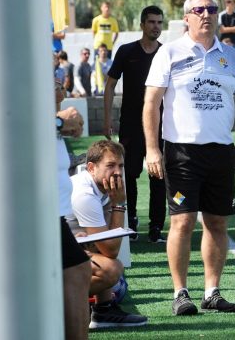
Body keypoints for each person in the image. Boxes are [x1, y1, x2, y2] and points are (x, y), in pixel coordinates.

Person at [143, 0, 235, 316]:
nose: (206, 14)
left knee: (217, 222)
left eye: (211, 9)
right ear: (187, 17)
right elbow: (151, 103)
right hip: (182, 153)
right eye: (199, 9)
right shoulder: (169, 52)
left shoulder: (232, 56)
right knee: (182, 222)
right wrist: (152, 148)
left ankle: (212, 291)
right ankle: (180, 293)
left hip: (221, 152)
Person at [67, 140, 148, 328]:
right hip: (44, 256)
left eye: (120, 165)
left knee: (117, 282)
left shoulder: (100, 186)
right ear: (91, 167)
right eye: (110, 166)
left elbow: (105, 239)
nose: (118, 172)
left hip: (62, 248)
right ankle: (52, 302)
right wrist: (118, 205)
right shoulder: (84, 195)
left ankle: (103, 311)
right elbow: (111, 249)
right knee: (111, 270)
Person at [103, 5, 167, 243]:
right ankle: (129, 225)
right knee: (128, 175)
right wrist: (108, 118)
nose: (156, 27)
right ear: (142, 24)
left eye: (159, 23)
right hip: (130, 124)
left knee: (159, 176)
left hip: (160, 126)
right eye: (151, 22)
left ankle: (156, 229)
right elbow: (110, 85)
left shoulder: (166, 53)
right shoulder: (126, 51)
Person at [54, 78, 91, 340]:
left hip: (49, 213)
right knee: (78, 270)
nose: (60, 85)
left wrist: (60, 123)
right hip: (30, 210)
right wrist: (58, 122)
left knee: (78, 269)